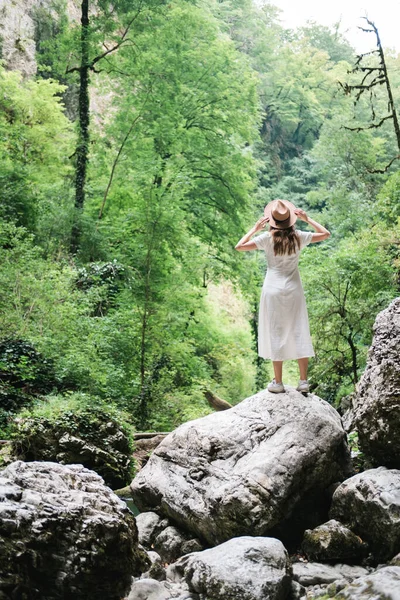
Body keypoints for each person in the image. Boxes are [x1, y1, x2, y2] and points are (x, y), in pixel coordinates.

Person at [235, 199, 330, 393]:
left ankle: (278, 383)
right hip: (294, 288)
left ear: (272, 222)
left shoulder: (266, 239)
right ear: (291, 220)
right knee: (299, 328)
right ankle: (303, 381)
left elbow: (239, 247)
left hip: (272, 289)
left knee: (275, 330)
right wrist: (308, 219)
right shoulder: (299, 237)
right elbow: (326, 234)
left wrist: (254, 229)